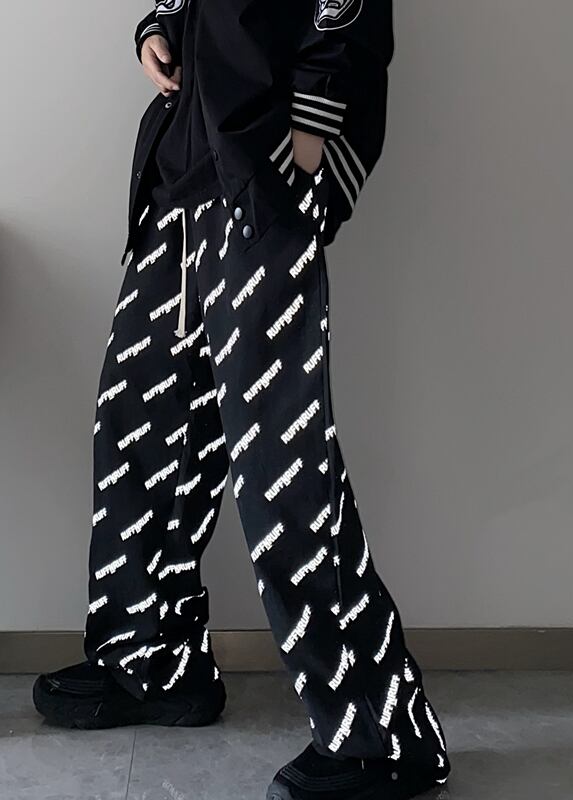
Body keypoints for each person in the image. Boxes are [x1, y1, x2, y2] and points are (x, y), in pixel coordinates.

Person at [34, 2, 451, 798]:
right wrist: (159, 27)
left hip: (262, 191)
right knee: (139, 432)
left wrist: (307, 143)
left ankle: (381, 735)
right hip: (178, 185)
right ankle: (153, 663)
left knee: (282, 467)